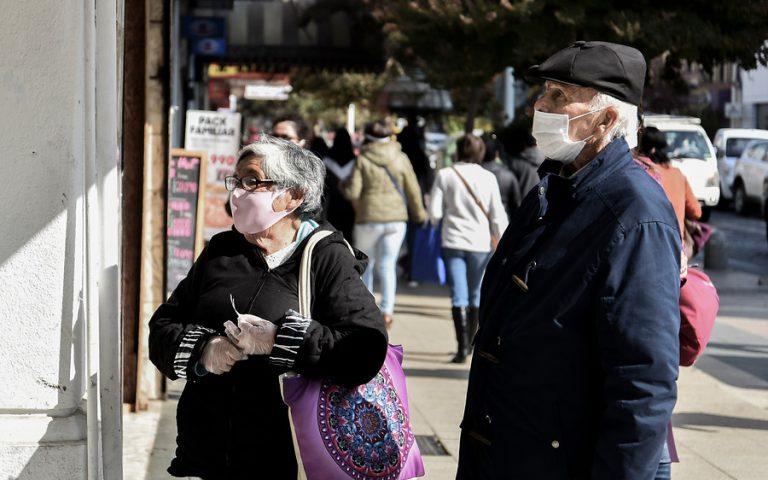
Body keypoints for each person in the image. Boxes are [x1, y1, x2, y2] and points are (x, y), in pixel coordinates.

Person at [457, 41, 681, 479]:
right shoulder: (555, 188)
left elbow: (643, 379)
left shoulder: (634, 212)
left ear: (606, 120)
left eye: (560, 95)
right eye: (544, 92)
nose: (540, 106)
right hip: (513, 451)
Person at [149, 135, 388, 480]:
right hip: (206, 455)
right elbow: (163, 326)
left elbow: (365, 348)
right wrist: (204, 350)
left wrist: (281, 340)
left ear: (293, 195)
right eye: (236, 181)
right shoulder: (222, 250)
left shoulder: (326, 256)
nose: (238, 193)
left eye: (252, 181)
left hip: (282, 459)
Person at [339, 120, 427, 328]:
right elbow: (413, 190)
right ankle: (387, 311)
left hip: (368, 217)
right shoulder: (401, 158)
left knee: (365, 264)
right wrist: (419, 214)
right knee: (388, 265)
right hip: (396, 219)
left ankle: (365, 309)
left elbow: (352, 191)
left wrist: (342, 186)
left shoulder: (363, 159)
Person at [428, 133, 508, 363]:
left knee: (457, 295)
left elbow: (434, 213)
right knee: (476, 294)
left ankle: (461, 347)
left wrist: (437, 222)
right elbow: (497, 214)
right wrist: (503, 242)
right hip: (480, 243)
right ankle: (473, 345)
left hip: (452, 240)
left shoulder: (445, 175)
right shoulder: (488, 177)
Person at [322, 127, 357, 242]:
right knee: (349, 233)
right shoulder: (355, 162)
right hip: (350, 203)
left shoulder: (327, 161)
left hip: (333, 203)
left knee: (334, 232)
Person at [481, 133, 521, 218]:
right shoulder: (508, 174)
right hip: (504, 219)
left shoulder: (477, 174)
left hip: (481, 219)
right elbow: (516, 203)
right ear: (496, 153)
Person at [503, 126, 545, 199]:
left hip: (524, 204)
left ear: (524, 143)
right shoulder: (548, 160)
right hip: (543, 205)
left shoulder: (515, 163)